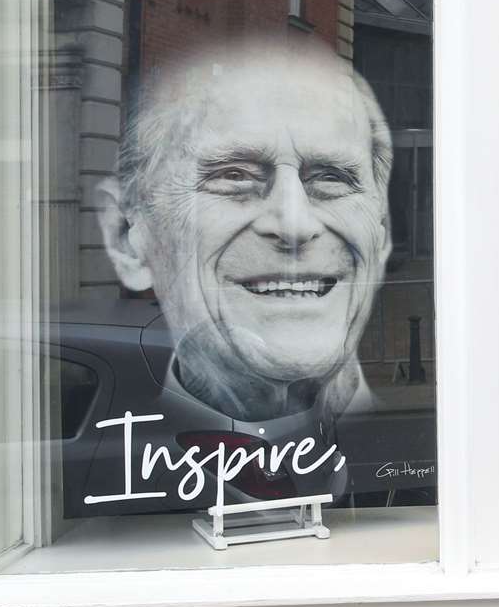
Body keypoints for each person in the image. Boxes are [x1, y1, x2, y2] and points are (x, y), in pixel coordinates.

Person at [93, 39, 397, 503]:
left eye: (331, 177)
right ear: (125, 237)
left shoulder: (436, 450)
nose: (294, 224)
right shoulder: (91, 465)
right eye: (234, 175)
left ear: (381, 233)